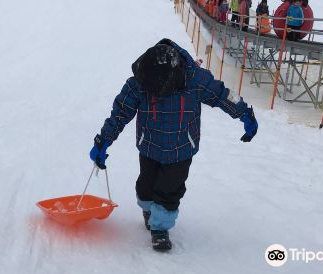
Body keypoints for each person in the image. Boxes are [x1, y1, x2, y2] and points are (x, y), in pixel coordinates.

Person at [90, 39, 258, 252]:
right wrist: (103, 141)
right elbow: (120, 113)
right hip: (149, 144)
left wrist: (245, 113)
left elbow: (222, 95)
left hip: (181, 147)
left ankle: (160, 229)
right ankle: (148, 209)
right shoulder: (141, 80)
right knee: (146, 185)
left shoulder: (194, 78)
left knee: (170, 190)